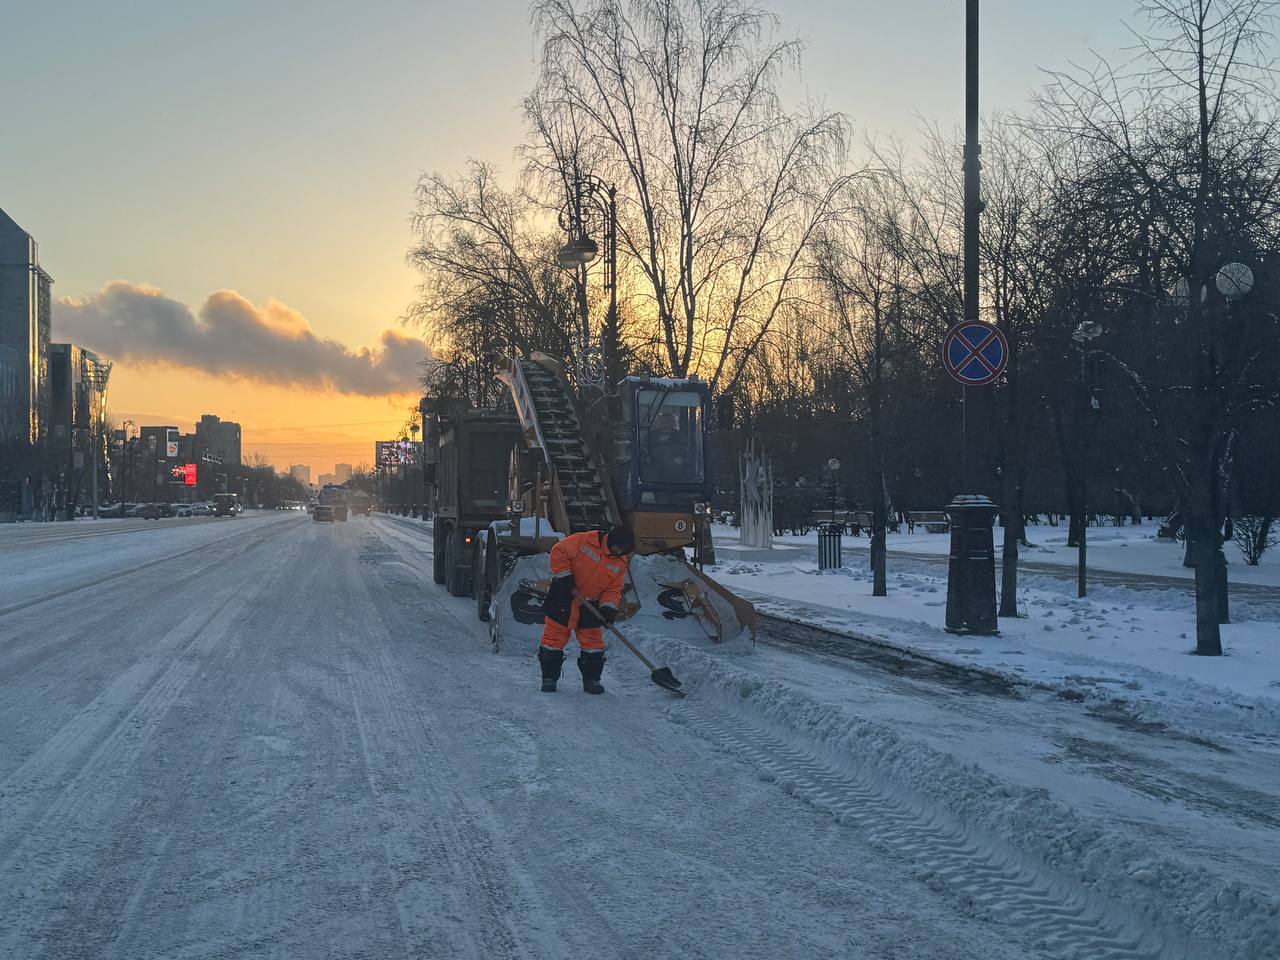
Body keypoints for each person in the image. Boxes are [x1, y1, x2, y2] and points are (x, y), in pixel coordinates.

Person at [538, 524, 635, 694]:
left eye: (623, 550)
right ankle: (549, 678)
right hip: (563, 596)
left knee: (593, 644)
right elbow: (559, 551)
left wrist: (608, 609)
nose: (619, 551)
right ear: (611, 540)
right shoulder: (585, 540)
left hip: (590, 604)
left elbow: (613, 588)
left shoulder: (620, 561)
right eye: (617, 546)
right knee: (553, 640)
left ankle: (591, 680)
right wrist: (564, 577)